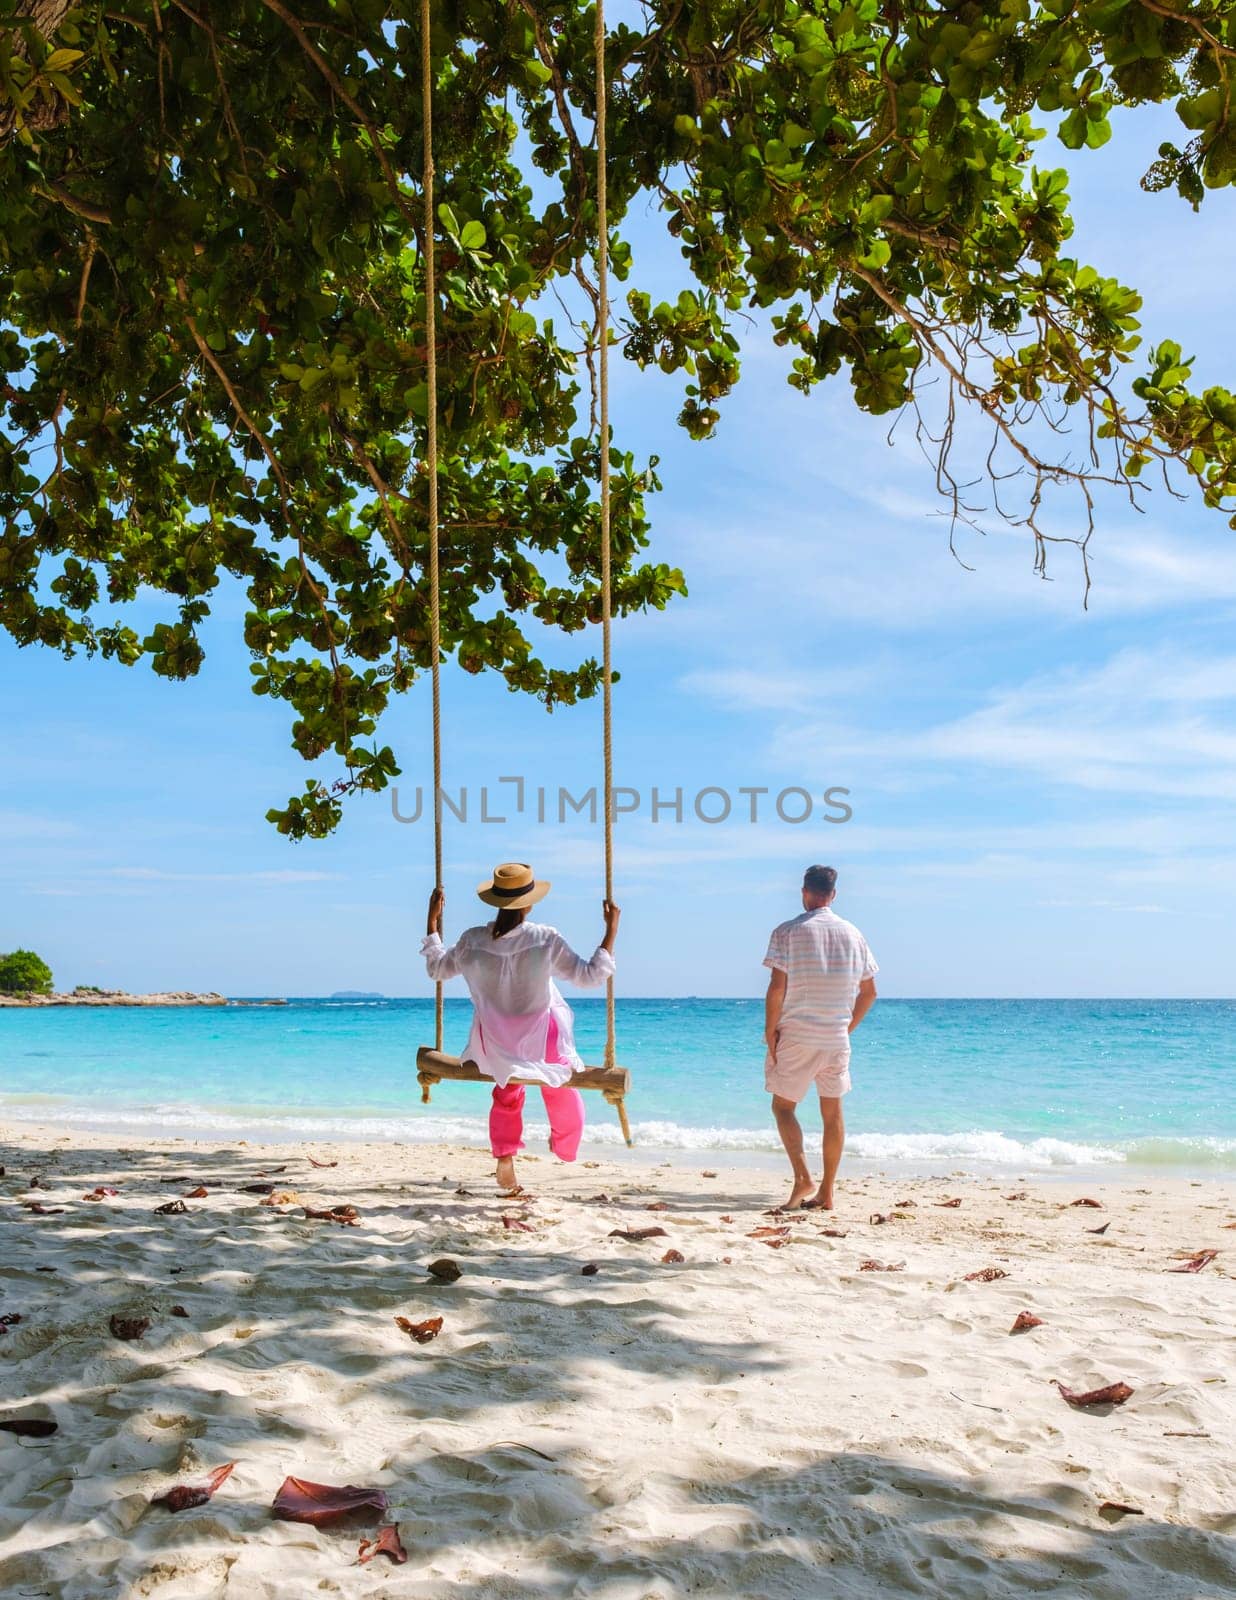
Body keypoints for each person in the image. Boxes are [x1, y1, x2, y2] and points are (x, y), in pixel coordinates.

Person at [422, 861, 620, 1194]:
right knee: (562, 1084)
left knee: (507, 1090)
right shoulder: (544, 939)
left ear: (497, 901)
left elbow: (437, 969)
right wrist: (610, 931)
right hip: (542, 1039)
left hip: (496, 1043)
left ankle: (504, 1154)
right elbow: (589, 976)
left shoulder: (471, 941)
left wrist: (431, 921)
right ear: (528, 903)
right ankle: (564, 1146)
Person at [763, 865, 878, 1211]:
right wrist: (846, 1027)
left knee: (783, 1107)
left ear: (804, 892)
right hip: (835, 1039)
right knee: (832, 1113)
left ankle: (803, 1178)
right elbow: (869, 992)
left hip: (798, 1034)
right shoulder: (854, 934)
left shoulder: (787, 932)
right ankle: (827, 1192)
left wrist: (770, 1031)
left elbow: (777, 988)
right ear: (834, 894)